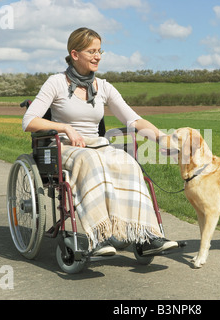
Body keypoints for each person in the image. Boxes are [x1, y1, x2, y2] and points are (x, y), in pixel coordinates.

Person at [22, 27, 178, 256]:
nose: (98, 56)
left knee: (127, 161)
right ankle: (98, 235)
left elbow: (133, 119)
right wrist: (65, 127)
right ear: (75, 54)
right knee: (89, 160)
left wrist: (162, 139)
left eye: (100, 51)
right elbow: (29, 121)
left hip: (96, 145)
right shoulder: (55, 83)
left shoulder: (103, 87)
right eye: (92, 51)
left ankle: (146, 235)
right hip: (64, 147)